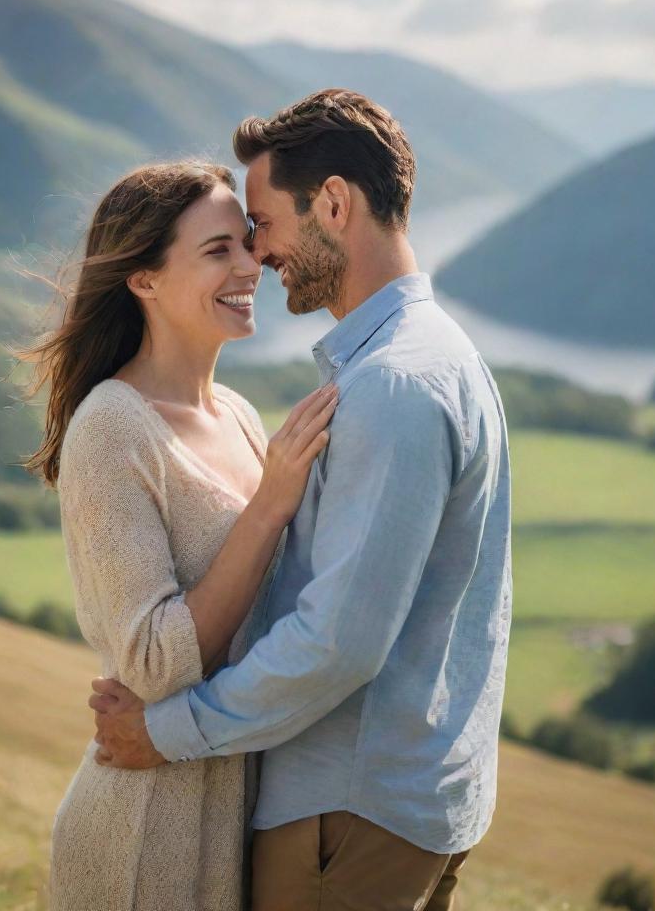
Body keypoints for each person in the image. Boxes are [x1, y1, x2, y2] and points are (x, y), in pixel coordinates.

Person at [92, 90, 514, 911]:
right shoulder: (440, 355)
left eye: (264, 222)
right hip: (398, 802)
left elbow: (340, 643)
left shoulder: (394, 385)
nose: (258, 252)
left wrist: (162, 733)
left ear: (332, 203)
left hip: (347, 812)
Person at [20, 160, 338, 911]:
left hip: (233, 821)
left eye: (246, 242)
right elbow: (157, 662)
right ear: (145, 281)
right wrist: (269, 506)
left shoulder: (236, 414)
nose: (249, 265)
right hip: (140, 835)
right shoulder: (111, 428)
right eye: (216, 250)